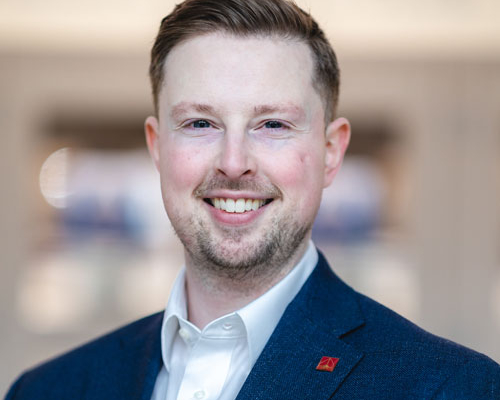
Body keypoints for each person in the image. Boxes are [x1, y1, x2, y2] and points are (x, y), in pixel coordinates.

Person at [5, 0, 500, 399]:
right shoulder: (46, 390)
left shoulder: (453, 388)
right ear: (158, 147)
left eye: (273, 125)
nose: (234, 162)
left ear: (331, 152)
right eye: (200, 123)